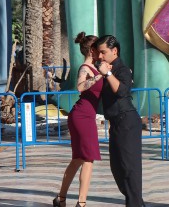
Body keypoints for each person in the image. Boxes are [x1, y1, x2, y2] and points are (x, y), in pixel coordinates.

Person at [93, 35, 144, 207]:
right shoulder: (104, 69)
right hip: (115, 124)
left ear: (114, 51)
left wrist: (107, 73)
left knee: (130, 170)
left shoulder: (122, 69)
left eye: (103, 52)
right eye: (98, 52)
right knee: (117, 169)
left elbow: (122, 91)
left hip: (127, 122)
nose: (100, 56)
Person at [53, 32, 103, 207]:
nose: (102, 53)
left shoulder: (97, 67)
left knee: (78, 159)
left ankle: (61, 199)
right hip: (82, 116)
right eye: (99, 49)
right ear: (91, 50)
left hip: (86, 115)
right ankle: (81, 203)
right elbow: (80, 86)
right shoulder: (85, 68)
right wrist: (100, 76)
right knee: (88, 158)